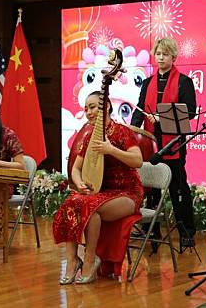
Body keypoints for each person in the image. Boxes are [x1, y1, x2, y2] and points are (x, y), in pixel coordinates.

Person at [53, 91, 143, 284]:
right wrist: (79, 183)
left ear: (107, 107)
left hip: (127, 194)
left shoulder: (122, 132)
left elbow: (138, 161)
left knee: (89, 206)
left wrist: (111, 150)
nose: (88, 112)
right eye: (86, 108)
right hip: (100, 193)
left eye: (92, 107)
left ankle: (90, 260)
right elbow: (76, 169)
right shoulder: (89, 137)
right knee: (73, 201)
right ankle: (72, 260)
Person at [131, 37, 197, 248]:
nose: (160, 57)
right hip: (150, 142)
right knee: (151, 188)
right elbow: (140, 107)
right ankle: (153, 230)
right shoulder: (148, 82)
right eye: (158, 53)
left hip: (173, 144)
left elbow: (190, 112)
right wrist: (132, 129)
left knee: (178, 188)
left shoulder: (184, 82)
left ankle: (187, 231)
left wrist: (162, 118)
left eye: (165, 54)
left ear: (173, 57)